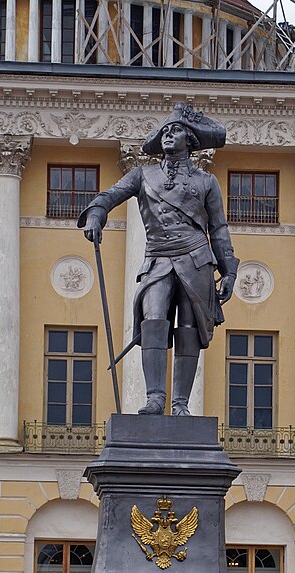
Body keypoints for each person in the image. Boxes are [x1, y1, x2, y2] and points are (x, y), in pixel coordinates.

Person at [79, 103, 238, 417]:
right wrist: (97, 214)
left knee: (189, 327)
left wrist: (228, 269)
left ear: (190, 140)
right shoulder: (144, 174)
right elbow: (110, 195)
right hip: (158, 258)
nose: (168, 135)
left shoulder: (206, 182)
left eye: (175, 130)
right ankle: (155, 399)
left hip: (196, 259)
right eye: (165, 130)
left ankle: (180, 403)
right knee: (152, 321)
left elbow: (218, 227)